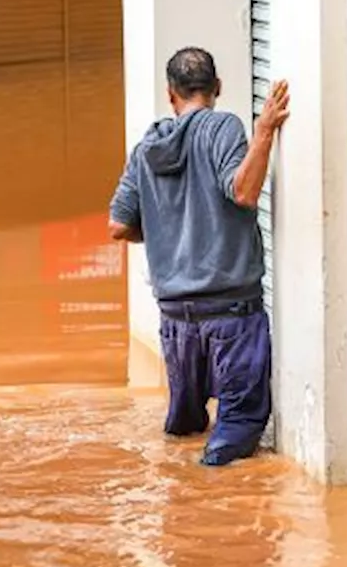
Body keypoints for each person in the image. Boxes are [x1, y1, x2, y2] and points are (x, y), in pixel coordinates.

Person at [108, 47, 291, 466]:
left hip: (175, 322)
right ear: (218, 88)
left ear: (171, 95)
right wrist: (263, 133)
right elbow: (244, 192)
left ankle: (180, 509)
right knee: (234, 439)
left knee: (184, 430)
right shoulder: (222, 128)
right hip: (231, 315)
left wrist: (162, 232)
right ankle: (209, 511)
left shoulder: (146, 150)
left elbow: (117, 226)